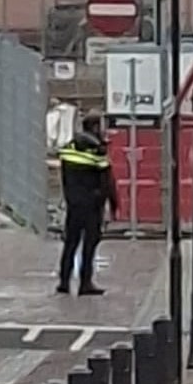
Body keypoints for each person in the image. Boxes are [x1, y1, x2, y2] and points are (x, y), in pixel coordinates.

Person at [56, 113, 118, 296]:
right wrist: (112, 205)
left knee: (70, 243)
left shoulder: (69, 148)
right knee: (89, 245)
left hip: (73, 204)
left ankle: (64, 282)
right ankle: (85, 283)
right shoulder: (97, 151)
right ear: (95, 128)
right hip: (92, 205)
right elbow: (107, 182)